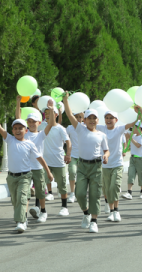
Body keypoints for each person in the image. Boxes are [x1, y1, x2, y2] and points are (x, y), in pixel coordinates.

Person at [0, 107, 54, 233]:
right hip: (11, 177)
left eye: (20, 128)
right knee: (16, 201)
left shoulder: (30, 144)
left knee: (23, 198)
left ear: (25, 130)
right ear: (12, 130)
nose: (18, 130)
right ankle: (23, 219)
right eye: (15, 128)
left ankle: (21, 222)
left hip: (25, 176)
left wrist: (48, 172)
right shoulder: (10, 139)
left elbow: (40, 158)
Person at [63, 94, 110, 233]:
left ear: (97, 120)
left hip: (96, 166)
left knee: (95, 194)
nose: (92, 120)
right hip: (82, 166)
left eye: (94, 118)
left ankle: (94, 221)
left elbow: (106, 150)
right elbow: (69, 114)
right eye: (89, 118)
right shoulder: (80, 129)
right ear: (84, 120)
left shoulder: (101, 135)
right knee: (79, 193)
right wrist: (66, 101)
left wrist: (105, 156)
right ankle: (86, 213)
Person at [15, 96, 56, 223]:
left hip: (38, 168)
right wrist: (18, 103)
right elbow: (18, 118)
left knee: (40, 192)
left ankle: (43, 211)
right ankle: (24, 216)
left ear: (39, 123)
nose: (32, 124)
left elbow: (51, 124)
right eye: (29, 122)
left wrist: (51, 110)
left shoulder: (41, 134)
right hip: (26, 168)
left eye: (34, 122)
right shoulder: (24, 133)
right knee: (25, 194)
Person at [97, 110, 138, 223]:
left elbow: (132, 123)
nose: (109, 120)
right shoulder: (101, 128)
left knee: (114, 187)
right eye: (107, 118)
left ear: (116, 120)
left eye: (111, 118)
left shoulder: (119, 129)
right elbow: (87, 123)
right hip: (105, 165)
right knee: (108, 189)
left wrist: (139, 113)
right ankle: (111, 211)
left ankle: (116, 210)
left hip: (117, 163)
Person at [41, 104, 72, 217]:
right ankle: (39, 208)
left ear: (56, 114)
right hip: (44, 162)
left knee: (62, 186)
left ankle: (64, 208)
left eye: (51, 112)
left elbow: (68, 142)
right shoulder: (42, 126)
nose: (48, 115)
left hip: (58, 161)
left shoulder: (60, 128)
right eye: (46, 113)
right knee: (40, 185)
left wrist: (68, 154)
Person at [122, 121, 142, 200]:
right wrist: (127, 138)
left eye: (134, 127)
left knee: (141, 176)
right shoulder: (133, 135)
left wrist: (130, 138)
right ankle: (129, 192)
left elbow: (138, 145)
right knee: (131, 174)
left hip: (140, 159)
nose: (132, 129)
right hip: (132, 158)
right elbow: (129, 145)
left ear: (139, 128)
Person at [66, 112, 84, 203]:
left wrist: (82, 112)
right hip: (73, 155)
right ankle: (72, 193)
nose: (77, 118)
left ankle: (79, 193)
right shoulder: (69, 128)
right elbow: (64, 139)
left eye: (79, 117)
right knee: (72, 172)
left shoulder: (85, 127)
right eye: (75, 117)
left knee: (82, 176)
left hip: (83, 156)